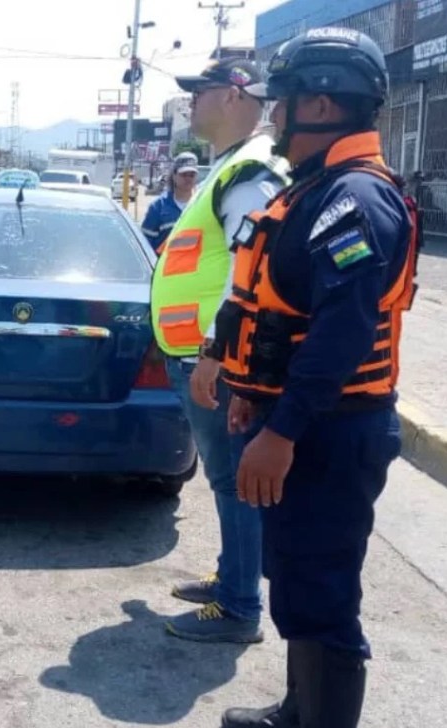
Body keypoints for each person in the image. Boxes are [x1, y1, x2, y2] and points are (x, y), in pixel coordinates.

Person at [209, 29, 419, 728]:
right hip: (299, 421)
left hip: (331, 431)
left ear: (323, 104)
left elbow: (342, 331)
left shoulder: (355, 198)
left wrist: (282, 429)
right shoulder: (317, 189)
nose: (272, 121)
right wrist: (250, 393)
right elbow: (280, 314)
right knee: (295, 573)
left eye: (284, 105)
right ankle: (301, 715)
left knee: (324, 588)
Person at [151, 58, 290, 643]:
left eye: (199, 92)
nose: (191, 103)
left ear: (234, 95)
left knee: (235, 483)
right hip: (205, 357)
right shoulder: (230, 167)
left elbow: (249, 273)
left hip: (218, 362)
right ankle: (234, 579)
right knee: (226, 481)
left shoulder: (251, 171)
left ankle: (238, 608)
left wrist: (214, 352)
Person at [140, 151, 199, 253]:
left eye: (192, 175)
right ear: (174, 176)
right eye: (184, 174)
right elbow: (146, 245)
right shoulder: (158, 208)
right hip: (167, 267)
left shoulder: (202, 205)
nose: (188, 178)